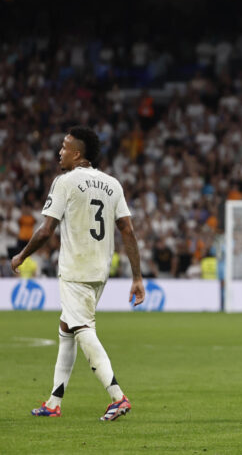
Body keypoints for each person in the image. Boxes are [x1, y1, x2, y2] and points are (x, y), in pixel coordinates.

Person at [11, 126, 145, 420]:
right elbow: (128, 230)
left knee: (83, 329)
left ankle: (118, 397)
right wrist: (137, 276)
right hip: (99, 270)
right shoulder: (113, 184)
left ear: (77, 153)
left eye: (64, 146)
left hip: (74, 269)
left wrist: (22, 254)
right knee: (66, 329)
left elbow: (47, 230)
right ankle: (54, 401)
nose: (60, 151)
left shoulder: (65, 182)